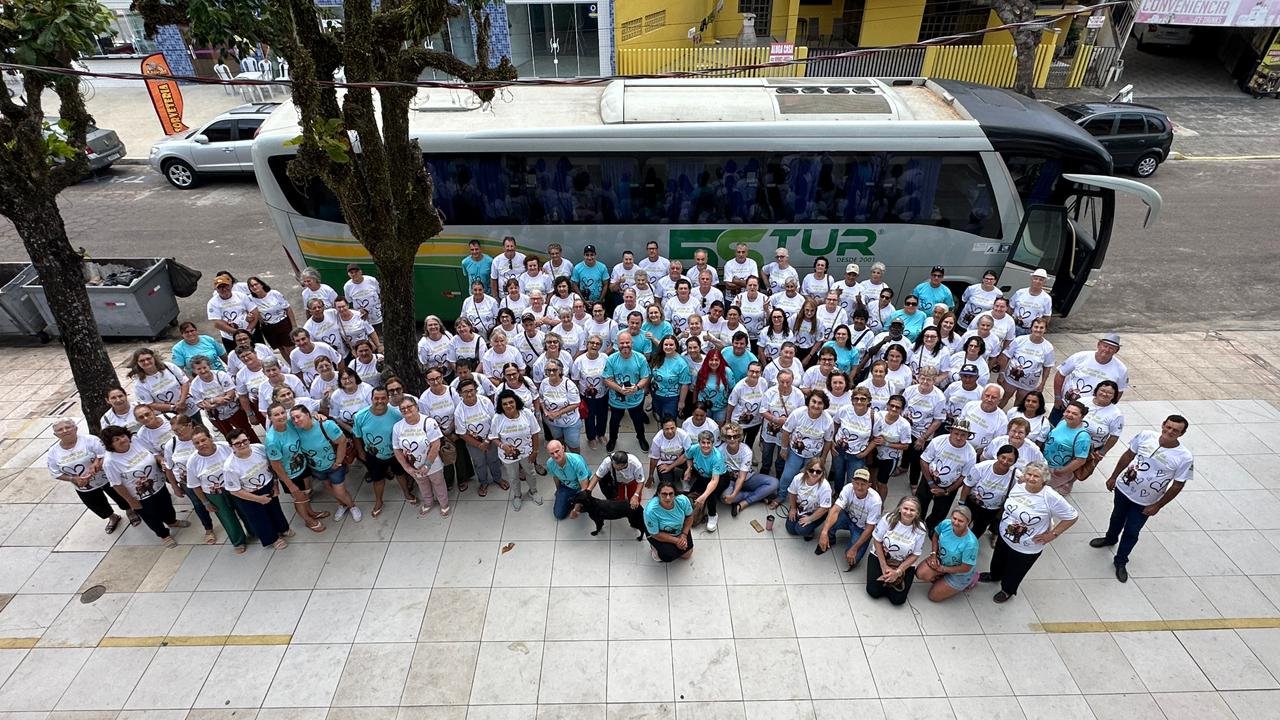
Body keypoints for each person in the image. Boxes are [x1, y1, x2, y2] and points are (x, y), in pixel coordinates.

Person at [1091, 415, 1193, 583]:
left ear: (1182, 433)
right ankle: (1110, 538)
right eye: (1168, 427)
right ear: (1163, 424)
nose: (1170, 431)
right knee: (1116, 517)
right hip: (1123, 489)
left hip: (1146, 502)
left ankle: (1121, 560)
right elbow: (1128, 455)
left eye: (1176, 430)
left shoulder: (1185, 457)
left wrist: (1158, 505)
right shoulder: (1146, 435)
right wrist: (1113, 477)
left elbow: (1177, 485)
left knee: (1132, 530)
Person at [980, 461, 1077, 602]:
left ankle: (1007, 590)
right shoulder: (1019, 487)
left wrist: (1053, 534)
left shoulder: (1050, 497)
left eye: (1036, 476)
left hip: (1027, 546)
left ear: (1044, 479)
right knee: (998, 560)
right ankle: (994, 575)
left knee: (1016, 570)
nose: (1031, 478)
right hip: (1005, 534)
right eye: (1029, 474)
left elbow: (1072, 516)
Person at [102, 425, 189, 547]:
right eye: (116, 439)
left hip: (158, 484)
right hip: (140, 496)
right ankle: (164, 535)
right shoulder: (110, 462)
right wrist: (130, 501)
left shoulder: (136, 441)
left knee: (167, 505)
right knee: (150, 515)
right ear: (110, 445)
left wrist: (161, 462)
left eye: (122, 436)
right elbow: (117, 485)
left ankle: (171, 521)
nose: (122, 440)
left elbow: (154, 454)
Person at [48, 418, 134, 533]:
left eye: (68, 427)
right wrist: (73, 479)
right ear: (55, 435)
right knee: (96, 504)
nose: (64, 431)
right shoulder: (53, 452)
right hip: (83, 485)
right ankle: (112, 517)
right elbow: (55, 472)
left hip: (105, 477)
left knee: (118, 494)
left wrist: (96, 464)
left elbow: (105, 454)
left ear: (75, 428)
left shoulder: (90, 440)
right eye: (60, 430)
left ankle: (130, 510)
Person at [182, 427, 250, 553]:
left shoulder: (225, 447)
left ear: (210, 438)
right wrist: (205, 502)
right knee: (227, 518)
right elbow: (195, 485)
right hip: (215, 495)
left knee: (245, 510)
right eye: (197, 443)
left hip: (236, 488)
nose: (201, 444)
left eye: (204, 440)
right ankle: (238, 541)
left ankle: (254, 531)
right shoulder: (192, 462)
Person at [353, 386, 416, 516]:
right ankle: (379, 501)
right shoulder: (360, 416)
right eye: (376, 398)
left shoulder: (397, 414)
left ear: (388, 399)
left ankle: (407, 493)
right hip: (373, 456)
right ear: (371, 399)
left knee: (400, 474)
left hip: (395, 454)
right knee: (378, 479)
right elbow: (357, 435)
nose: (379, 401)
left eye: (383, 398)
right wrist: (360, 452)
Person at [291, 404, 361, 521]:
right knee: (328, 486)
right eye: (293, 419)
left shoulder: (326, 425)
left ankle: (352, 506)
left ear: (307, 414)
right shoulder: (296, 431)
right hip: (316, 468)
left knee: (340, 490)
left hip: (334, 465)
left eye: (298, 417)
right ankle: (342, 505)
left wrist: (338, 462)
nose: (296, 421)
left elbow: (342, 441)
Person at [916, 419, 977, 532]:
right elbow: (924, 461)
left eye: (963, 435)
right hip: (928, 480)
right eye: (956, 433)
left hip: (950, 487)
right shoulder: (937, 441)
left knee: (940, 512)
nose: (959, 437)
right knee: (920, 504)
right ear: (951, 431)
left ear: (968, 436)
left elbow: (963, 477)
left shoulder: (971, 453)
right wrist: (930, 483)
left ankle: (932, 527)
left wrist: (947, 491)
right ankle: (917, 525)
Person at [1052, 333, 1128, 424]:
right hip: (1064, 406)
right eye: (1105, 346)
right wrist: (1057, 397)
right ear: (1098, 344)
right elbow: (1060, 374)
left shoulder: (1121, 369)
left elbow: (1119, 392)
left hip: (1090, 414)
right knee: (1050, 429)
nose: (1107, 350)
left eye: (1111, 348)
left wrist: (1106, 409)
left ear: (1117, 350)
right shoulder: (1080, 356)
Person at [393, 397, 450, 518]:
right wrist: (407, 467)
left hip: (432, 464)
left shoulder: (428, 422)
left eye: (409, 407)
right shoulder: (398, 427)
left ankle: (444, 504)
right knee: (422, 484)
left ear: (416, 407)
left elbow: (436, 444)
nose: (406, 410)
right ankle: (428, 502)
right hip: (414, 466)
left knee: (438, 483)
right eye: (403, 408)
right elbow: (396, 449)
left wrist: (427, 465)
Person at [866, 496, 928, 606]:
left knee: (898, 600)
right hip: (881, 557)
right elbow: (877, 541)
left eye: (912, 510)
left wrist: (898, 572)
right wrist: (884, 566)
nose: (908, 512)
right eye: (905, 508)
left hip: (903, 563)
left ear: (917, 513)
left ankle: (890, 582)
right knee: (873, 592)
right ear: (899, 508)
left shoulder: (920, 529)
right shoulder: (887, 519)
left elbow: (915, 555)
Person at [816, 467, 880, 569]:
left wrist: (854, 548)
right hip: (847, 517)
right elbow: (835, 510)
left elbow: (870, 528)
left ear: (869, 485)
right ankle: (830, 538)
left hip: (862, 528)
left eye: (863, 484)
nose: (859, 487)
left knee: (852, 559)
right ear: (852, 482)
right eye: (856, 483)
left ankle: (857, 545)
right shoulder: (848, 488)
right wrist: (824, 532)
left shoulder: (875, 501)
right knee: (831, 518)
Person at [490, 390, 542, 510]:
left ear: (516, 401)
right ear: (500, 406)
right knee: (513, 476)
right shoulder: (497, 418)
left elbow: (535, 433)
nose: (508, 406)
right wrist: (503, 446)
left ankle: (533, 491)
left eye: (511, 402)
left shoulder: (527, 413)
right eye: (505, 404)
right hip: (507, 456)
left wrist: (535, 452)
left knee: (531, 473)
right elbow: (494, 438)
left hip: (527, 453)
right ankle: (517, 495)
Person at [777, 390, 835, 498]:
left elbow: (828, 441)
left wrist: (823, 458)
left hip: (814, 456)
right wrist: (784, 449)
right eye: (814, 401)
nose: (816, 405)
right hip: (795, 453)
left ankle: (803, 499)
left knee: (810, 478)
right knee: (787, 476)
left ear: (824, 405)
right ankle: (781, 496)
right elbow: (786, 431)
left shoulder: (828, 420)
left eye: (820, 403)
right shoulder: (797, 413)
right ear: (808, 402)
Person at [915, 506, 979, 602]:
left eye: (960, 521)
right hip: (942, 560)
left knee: (933, 597)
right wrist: (933, 555)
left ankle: (972, 579)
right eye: (954, 518)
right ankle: (942, 578)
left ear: (968, 522)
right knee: (920, 574)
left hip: (960, 573)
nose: (956, 523)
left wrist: (943, 569)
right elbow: (935, 536)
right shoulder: (946, 524)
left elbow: (966, 567)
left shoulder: (971, 543)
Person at [189, 355, 257, 443]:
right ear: (194, 370)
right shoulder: (195, 384)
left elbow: (231, 393)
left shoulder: (220, 375)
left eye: (204, 367)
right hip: (216, 415)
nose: (203, 371)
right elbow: (199, 402)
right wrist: (216, 400)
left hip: (234, 410)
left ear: (209, 366)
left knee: (246, 430)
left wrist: (212, 403)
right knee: (228, 435)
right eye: (199, 369)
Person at [454, 378, 504, 497]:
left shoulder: (485, 401)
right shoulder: (459, 411)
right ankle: (483, 482)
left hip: (490, 439)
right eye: (465, 391)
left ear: (476, 390)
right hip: (473, 443)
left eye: (472, 390)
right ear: (460, 393)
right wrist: (479, 445)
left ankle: (498, 479)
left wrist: (487, 440)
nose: (469, 393)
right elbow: (462, 433)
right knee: (479, 463)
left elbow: (494, 422)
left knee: (494, 460)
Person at [603, 332, 651, 452]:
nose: (625, 345)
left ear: (632, 343)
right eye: (622, 343)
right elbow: (606, 379)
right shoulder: (611, 359)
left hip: (636, 398)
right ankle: (613, 439)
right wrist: (620, 389)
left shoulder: (640, 358)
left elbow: (645, 377)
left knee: (638, 420)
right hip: (616, 399)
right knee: (614, 421)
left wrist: (637, 387)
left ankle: (641, 437)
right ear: (617, 344)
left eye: (627, 342)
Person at [717, 421, 778, 516]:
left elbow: (741, 477)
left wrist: (734, 495)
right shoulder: (720, 450)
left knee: (774, 483)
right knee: (724, 499)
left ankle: (744, 503)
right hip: (730, 480)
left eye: (735, 436)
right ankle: (759, 496)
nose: (732, 439)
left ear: (739, 437)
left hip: (747, 477)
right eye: (729, 437)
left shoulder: (746, 451)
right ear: (725, 438)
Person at [961, 445, 1018, 540]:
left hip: (991, 510)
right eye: (1003, 457)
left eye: (1010, 460)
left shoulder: (1015, 476)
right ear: (997, 455)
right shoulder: (981, 467)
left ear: (1014, 462)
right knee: (962, 524)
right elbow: (967, 484)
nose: (1005, 462)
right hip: (972, 504)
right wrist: (961, 503)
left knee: (978, 530)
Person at [128, 348, 199, 421]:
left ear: (154, 358)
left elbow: (184, 382)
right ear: (137, 363)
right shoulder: (139, 384)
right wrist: (173, 407)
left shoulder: (169, 367)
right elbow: (150, 403)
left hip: (188, 405)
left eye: (148, 358)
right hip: (170, 414)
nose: (146, 362)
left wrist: (181, 402)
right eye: (142, 361)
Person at [1001, 317, 1055, 406]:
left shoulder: (1048, 347)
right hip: (1010, 379)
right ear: (1031, 328)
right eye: (1036, 327)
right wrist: (1002, 373)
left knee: (1019, 405)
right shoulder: (1019, 340)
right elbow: (1006, 356)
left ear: (1045, 330)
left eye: (1041, 328)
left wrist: (1042, 384)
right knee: (1002, 399)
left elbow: (1047, 367)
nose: (1038, 330)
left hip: (1029, 384)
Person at [1043, 400, 1091, 495]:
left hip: (1057, 470)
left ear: (1082, 416)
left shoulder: (1083, 437)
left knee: (1045, 492)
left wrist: (1061, 472)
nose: (1069, 415)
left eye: (1074, 413)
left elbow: (1080, 460)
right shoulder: (1063, 422)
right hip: (1045, 463)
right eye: (1068, 411)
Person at [784, 457, 833, 541]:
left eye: (818, 471)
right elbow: (792, 493)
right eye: (811, 470)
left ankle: (810, 531)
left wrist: (810, 519)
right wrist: (793, 508)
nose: (814, 474)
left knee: (801, 530)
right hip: (799, 508)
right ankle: (802, 523)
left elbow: (824, 508)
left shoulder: (825, 487)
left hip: (815, 512)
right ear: (807, 470)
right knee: (791, 530)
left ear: (822, 473)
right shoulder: (798, 478)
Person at [645, 481, 695, 562]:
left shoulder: (682, 500)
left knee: (687, 554)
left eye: (671, 494)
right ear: (658, 494)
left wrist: (684, 535)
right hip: (658, 533)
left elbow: (689, 516)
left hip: (679, 530)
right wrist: (677, 541)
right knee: (666, 557)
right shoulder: (651, 511)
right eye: (664, 494)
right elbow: (655, 534)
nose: (668, 498)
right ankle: (654, 547)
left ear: (675, 493)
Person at [246, 276, 295, 356]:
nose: (254, 287)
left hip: (283, 323)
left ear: (261, 284)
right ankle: (290, 367)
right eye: (251, 286)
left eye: (256, 284)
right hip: (268, 327)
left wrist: (294, 326)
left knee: (290, 348)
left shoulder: (274, 293)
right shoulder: (250, 299)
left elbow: (288, 308)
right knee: (281, 349)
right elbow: (251, 313)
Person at [207, 272, 257, 351]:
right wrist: (237, 333)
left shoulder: (241, 296)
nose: (224, 289)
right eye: (220, 287)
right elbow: (217, 323)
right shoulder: (212, 303)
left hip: (250, 334)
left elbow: (254, 312)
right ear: (216, 289)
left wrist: (249, 330)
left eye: (226, 286)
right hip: (229, 338)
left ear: (231, 285)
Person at [545, 440, 592, 521]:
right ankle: (571, 500)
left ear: (563, 448)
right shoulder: (550, 463)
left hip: (581, 486)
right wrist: (558, 490)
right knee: (559, 514)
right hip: (566, 486)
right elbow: (555, 477)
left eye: (557, 451)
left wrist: (576, 509)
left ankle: (574, 501)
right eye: (552, 453)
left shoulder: (576, 462)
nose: (555, 455)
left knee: (586, 507)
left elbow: (584, 487)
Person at [649, 336, 691, 420]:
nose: (668, 347)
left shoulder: (681, 364)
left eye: (671, 345)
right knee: (660, 417)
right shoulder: (657, 357)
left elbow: (684, 384)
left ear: (676, 346)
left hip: (671, 398)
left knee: (669, 421)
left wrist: (681, 402)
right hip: (656, 395)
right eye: (666, 344)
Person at [648, 416, 690, 487]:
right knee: (667, 485)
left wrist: (670, 467)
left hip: (681, 459)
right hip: (664, 462)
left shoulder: (683, 435)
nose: (670, 431)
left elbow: (687, 454)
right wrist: (650, 476)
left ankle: (684, 479)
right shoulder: (657, 439)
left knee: (693, 463)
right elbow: (654, 458)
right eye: (667, 429)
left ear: (676, 427)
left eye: (672, 428)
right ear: (662, 429)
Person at [342, 263, 383, 334]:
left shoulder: (371, 280)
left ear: (361, 272)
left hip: (378, 317)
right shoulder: (347, 286)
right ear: (349, 274)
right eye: (351, 273)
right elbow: (349, 301)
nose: (354, 274)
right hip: (363, 320)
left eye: (356, 272)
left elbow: (380, 293)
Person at [1010, 268, 1053, 336]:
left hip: (1031, 330)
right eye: (1035, 278)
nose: (1037, 281)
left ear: (1045, 282)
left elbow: (1047, 317)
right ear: (1032, 279)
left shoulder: (1047, 298)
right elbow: (1010, 308)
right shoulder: (1020, 292)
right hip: (1014, 326)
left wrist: (1040, 331)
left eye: (1041, 280)